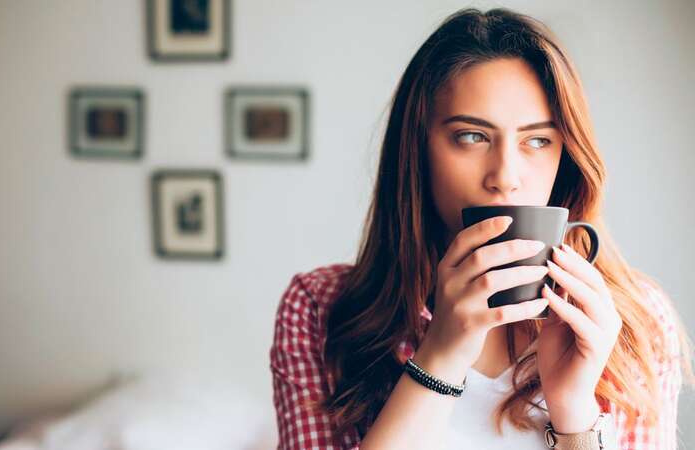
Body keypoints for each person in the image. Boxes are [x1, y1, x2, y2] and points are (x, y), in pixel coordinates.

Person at [269, 7, 693, 450]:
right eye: (472, 136)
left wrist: (574, 413)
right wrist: (441, 356)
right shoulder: (320, 309)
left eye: (538, 140)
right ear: (418, 150)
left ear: (565, 158)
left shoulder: (635, 320)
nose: (505, 176)